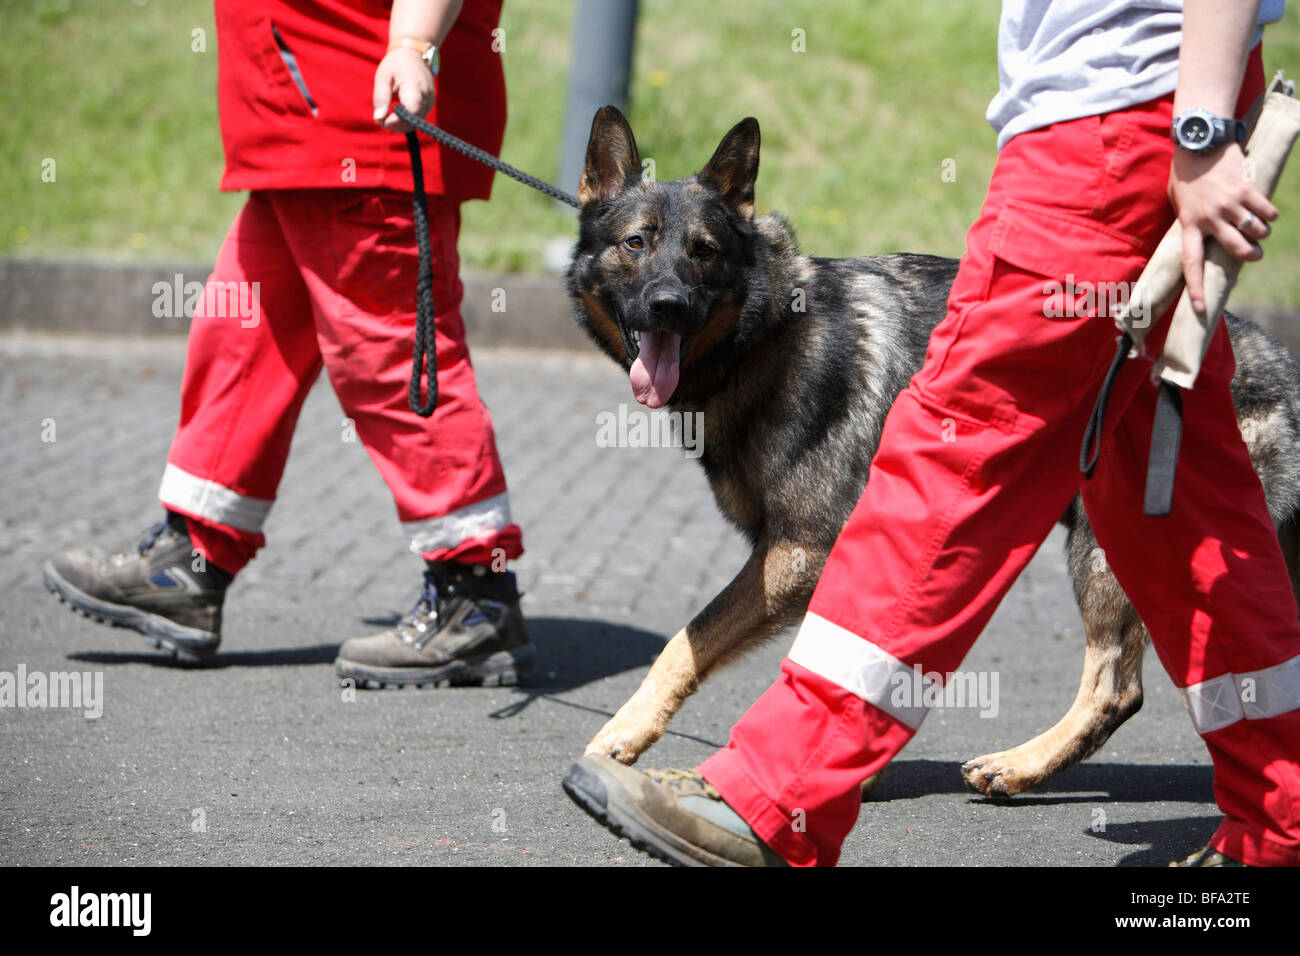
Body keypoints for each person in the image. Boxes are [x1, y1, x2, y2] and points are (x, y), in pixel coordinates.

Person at [564, 0, 1300, 866]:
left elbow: (813, 550)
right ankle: (1278, 818)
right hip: (1137, 123)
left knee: (949, 457)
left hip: (1110, 136)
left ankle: (775, 794)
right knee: (1180, 492)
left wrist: (1204, 126)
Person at [43, 0, 534, 689]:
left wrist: (414, 43)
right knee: (242, 334)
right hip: (302, 125)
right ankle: (192, 558)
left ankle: (475, 593)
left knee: (391, 362)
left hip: (362, 122)